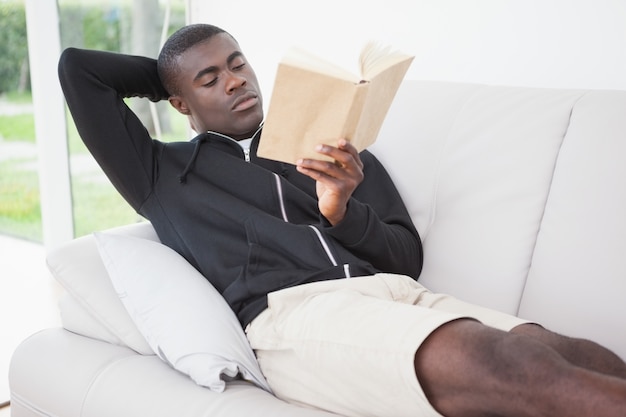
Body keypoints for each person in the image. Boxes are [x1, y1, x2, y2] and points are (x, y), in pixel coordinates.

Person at [58, 23, 626, 417]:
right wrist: (171, 73)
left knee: (563, 350)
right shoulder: (161, 174)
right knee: (507, 363)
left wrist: (341, 209)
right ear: (176, 103)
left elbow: (406, 257)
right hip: (295, 319)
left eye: (238, 64)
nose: (234, 81)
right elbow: (79, 70)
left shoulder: (330, 148)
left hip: (393, 292)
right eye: (209, 80)